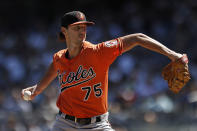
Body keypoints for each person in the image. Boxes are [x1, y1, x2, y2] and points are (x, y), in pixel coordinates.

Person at [21, 11, 183, 131]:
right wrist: (37, 90)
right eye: (77, 28)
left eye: (84, 27)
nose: (82, 31)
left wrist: (172, 54)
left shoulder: (98, 52)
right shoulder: (59, 57)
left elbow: (138, 38)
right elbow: (53, 69)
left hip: (97, 125)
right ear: (64, 31)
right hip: (64, 124)